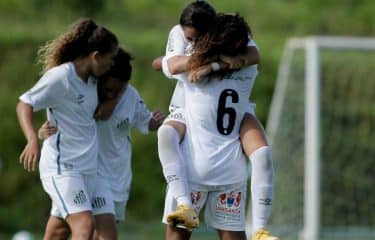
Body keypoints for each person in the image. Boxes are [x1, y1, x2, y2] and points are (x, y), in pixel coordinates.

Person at [153, 1, 277, 239]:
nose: (190, 42)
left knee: (165, 135)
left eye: (195, 39)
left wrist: (209, 63)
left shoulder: (196, 72)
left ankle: (184, 204)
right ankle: (260, 229)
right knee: (262, 154)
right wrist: (215, 61)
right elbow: (253, 55)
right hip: (231, 166)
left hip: (194, 166)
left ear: (208, 36)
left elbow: (162, 64)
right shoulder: (243, 62)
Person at [37, 48, 166, 239]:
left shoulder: (129, 95)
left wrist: (156, 121)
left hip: (116, 176)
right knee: (92, 230)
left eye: (119, 90)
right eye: (109, 90)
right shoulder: (83, 93)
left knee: (65, 228)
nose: (112, 94)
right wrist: (40, 133)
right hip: (84, 172)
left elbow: (144, 120)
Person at [16, 18, 119, 240]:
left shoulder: (92, 80)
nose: (111, 65)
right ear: (95, 56)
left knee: (63, 230)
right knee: (84, 226)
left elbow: (122, 74)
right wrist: (33, 139)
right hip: (63, 168)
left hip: (89, 168)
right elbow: (25, 103)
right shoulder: (61, 77)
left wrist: (110, 103)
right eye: (109, 60)